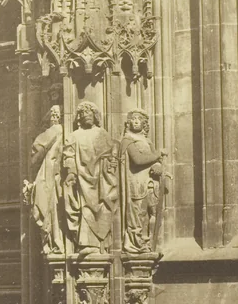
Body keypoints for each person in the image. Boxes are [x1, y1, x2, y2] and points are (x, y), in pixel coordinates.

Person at [63, 101, 118, 254]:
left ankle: (102, 243)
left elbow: (111, 152)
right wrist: (71, 172)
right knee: (85, 208)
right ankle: (87, 243)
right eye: (83, 114)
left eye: (90, 113)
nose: (87, 116)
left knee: (103, 207)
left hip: (102, 179)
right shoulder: (74, 136)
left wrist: (111, 163)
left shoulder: (102, 133)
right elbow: (69, 154)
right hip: (83, 178)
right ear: (79, 118)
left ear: (95, 116)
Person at [120, 110, 166, 253]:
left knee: (152, 212)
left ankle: (151, 242)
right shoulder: (127, 139)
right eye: (133, 119)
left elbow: (155, 160)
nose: (135, 121)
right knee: (138, 213)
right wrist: (159, 153)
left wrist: (158, 165)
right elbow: (138, 160)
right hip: (136, 181)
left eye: (139, 119)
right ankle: (137, 243)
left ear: (144, 123)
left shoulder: (148, 141)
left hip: (150, 181)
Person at [26, 105, 65, 255]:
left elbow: (36, 151)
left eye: (55, 114)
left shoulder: (54, 130)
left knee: (46, 204)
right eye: (52, 114)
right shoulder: (59, 131)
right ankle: (54, 240)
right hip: (51, 171)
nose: (53, 117)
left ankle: (52, 240)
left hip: (49, 172)